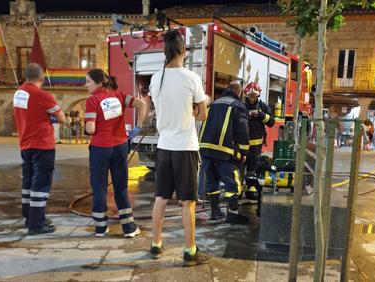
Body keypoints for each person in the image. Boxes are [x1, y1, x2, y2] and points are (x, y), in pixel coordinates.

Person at [148, 29, 211, 266]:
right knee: (188, 203)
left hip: (164, 147)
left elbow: (162, 107)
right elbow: (203, 116)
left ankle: (155, 244)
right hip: (185, 147)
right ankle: (190, 250)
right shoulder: (191, 78)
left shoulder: (156, 78)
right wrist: (200, 105)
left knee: (161, 198)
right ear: (183, 50)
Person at [84, 69, 146, 238]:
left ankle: (100, 228)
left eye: (88, 81)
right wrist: (138, 127)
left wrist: (88, 127)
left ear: (98, 83)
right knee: (121, 188)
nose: (85, 85)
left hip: (100, 149)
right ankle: (129, 228)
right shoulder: (119, 96)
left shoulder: (92, 101)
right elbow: (142, 104)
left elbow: (90, 128)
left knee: (100, 188)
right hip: (120, 147)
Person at [13, 63, 66, 235]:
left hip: (25, 144)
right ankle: (37, 224)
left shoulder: (18, 93)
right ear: (42, 78)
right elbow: (62, 118)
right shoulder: (43, 95)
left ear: (25, 77)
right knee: (41, 184)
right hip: (42, 145)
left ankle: (30, 217)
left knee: (28, 183)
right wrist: (51, 117)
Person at [199, 80, 250, 224]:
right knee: (232, 182)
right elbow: (242, 130)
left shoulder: (213, 103)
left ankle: (215, 212)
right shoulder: (237, 105)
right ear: (239, 92)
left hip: (206, 148)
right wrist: (243, 152)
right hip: (224, 151)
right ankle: (232, 214)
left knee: (212, 179)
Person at [243, 82, 274, 200]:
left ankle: (251, 191)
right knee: (240, 168)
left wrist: (261, 115)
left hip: (256, 144)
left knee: (253, 168)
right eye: (250, 96)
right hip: (242, 144)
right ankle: (238, 191)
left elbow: (271, 122)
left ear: (258, 96)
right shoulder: (242, 106)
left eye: (254, 96)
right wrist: (248, 115)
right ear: (246, 96)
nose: (252, 98)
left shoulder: (263, 106)